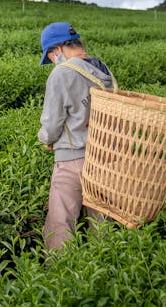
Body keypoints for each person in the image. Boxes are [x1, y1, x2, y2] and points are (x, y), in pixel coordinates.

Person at [37, 22, 116, 251]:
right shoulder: (103, 70)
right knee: (102, 224)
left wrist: (45, 139)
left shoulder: (61, 73)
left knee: (60, 225)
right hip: (104, 157)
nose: (51, 60)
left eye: (50, 55)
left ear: (58, 49)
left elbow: (52, 124)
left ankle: (60, 275)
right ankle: (104, 268)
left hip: (73, 159)